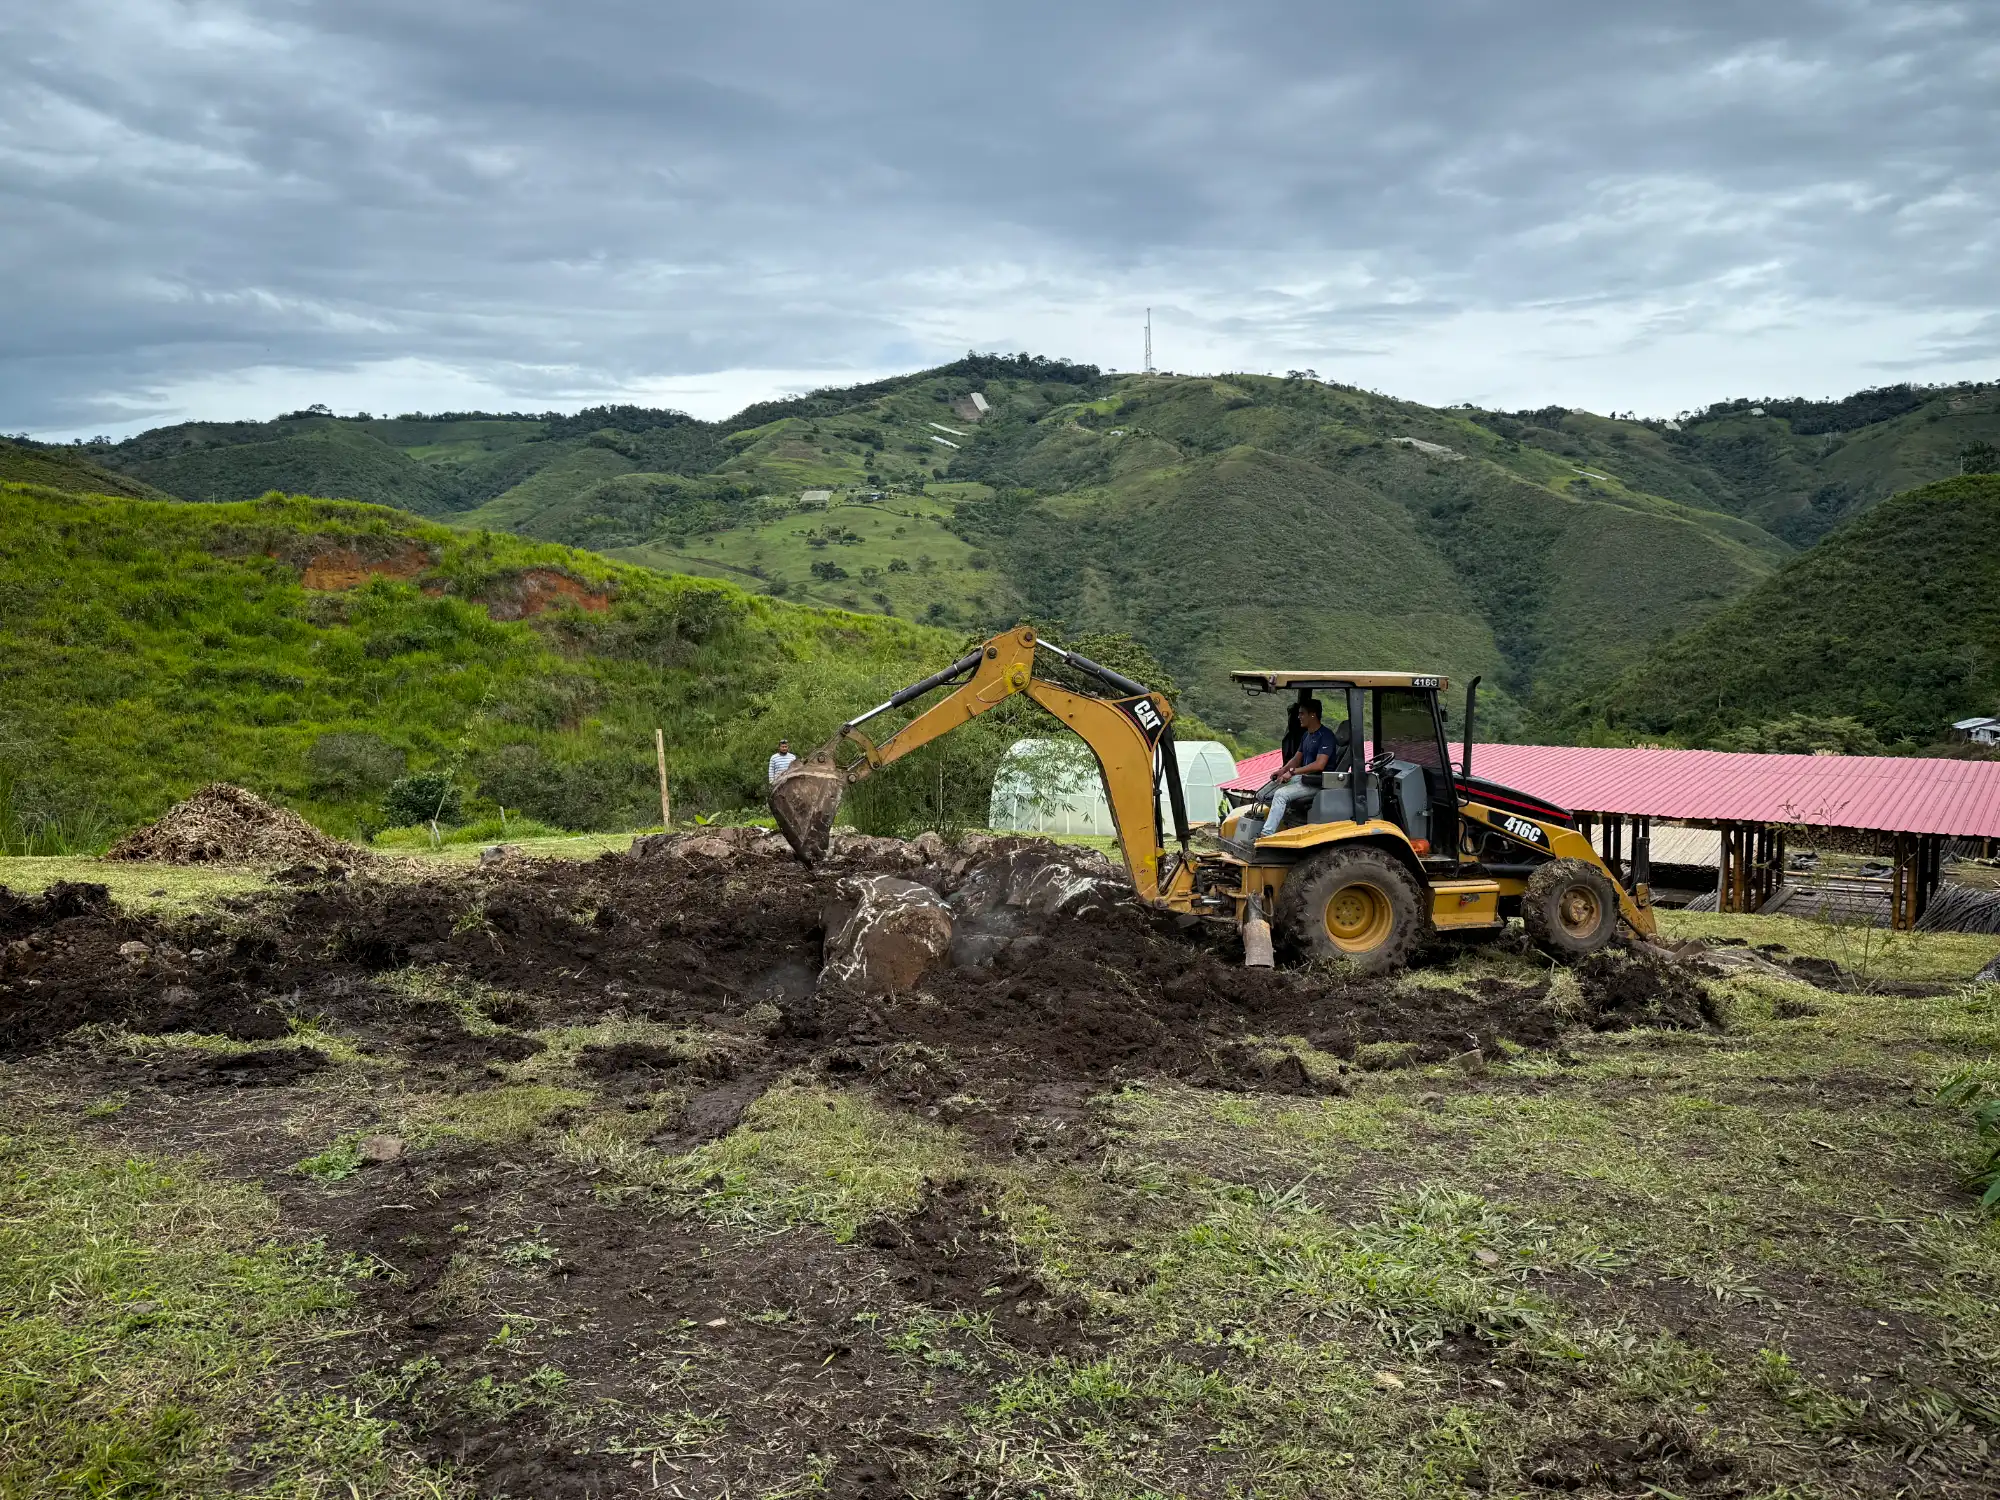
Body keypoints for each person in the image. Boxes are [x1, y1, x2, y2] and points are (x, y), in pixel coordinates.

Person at [1259, 701, 1339, 840]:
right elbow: (1296, 758)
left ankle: (1266, 835)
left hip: (1317, 782)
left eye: (1302, 713)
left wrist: (1293, 772)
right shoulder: (1307, 735)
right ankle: (1285, 824)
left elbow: (1319, 765)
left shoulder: (1326, 736)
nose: (1299, 717)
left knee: (1281, 795)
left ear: (1313, 715)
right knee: (1264, 794)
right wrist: (1282, 770)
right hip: (1305, 779)